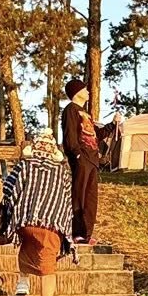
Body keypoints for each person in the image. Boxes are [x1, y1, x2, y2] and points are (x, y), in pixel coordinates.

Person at [0, 133, 74, 296]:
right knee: (48, 268)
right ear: (53, 151)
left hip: (25, 221)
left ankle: (23, 281)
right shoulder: (62, 171)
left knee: (27, 243)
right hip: (51, 222)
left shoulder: (24, 165)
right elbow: (68, 197)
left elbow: (9, 189)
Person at [60, 78, 101, 243]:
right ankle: (76, 232)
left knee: (90, 199)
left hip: (92, 160)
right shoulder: (71, 110)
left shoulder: (86, 114)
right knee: (79, 196)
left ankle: (86, 234)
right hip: (82, 158)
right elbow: (69, 134)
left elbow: (96, 135)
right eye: (85, 89)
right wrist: (77, 154)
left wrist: (113, 125)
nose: (88, 92)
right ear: (77, 92)